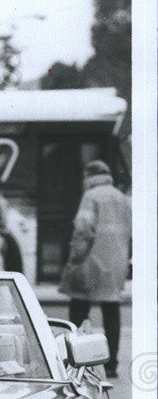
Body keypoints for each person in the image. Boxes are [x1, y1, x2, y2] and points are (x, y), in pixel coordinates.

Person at [60, 159, 131, 377]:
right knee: (111, 311)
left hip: (91, 261)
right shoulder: (121, 197)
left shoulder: (91, 196)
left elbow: (83, 229)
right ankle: (111, 365)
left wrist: (74, 258)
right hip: (116, 261)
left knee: (79, 308)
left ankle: (75, 360)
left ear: (89, 176)